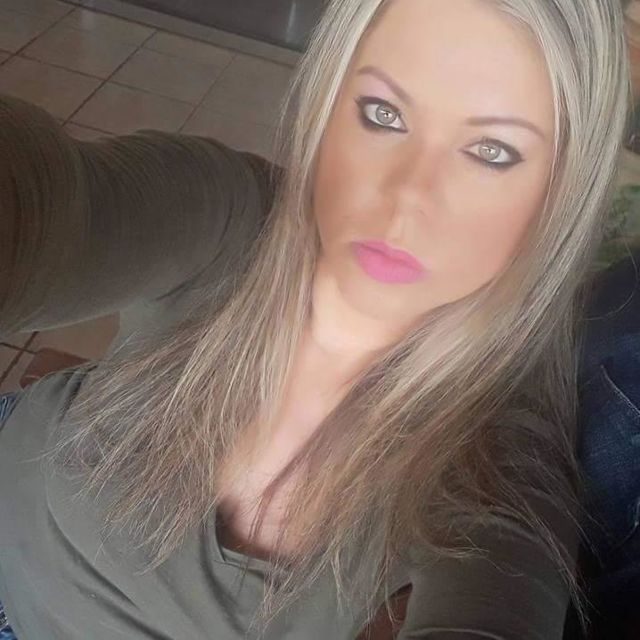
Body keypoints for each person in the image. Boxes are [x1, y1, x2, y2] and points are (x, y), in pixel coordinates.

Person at [0, 0, 630, 638]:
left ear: (560, 197)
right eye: (383, 114)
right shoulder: (233, 217)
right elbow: (51, 206)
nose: (406, 195)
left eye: (491, 151)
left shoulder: (498, 459)